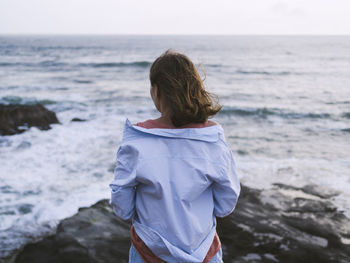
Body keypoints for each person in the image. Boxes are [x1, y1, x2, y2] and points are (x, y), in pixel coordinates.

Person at [109, 49, 241, 263]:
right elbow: (226, 204)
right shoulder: (213, 140)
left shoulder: (136, 142)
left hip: (148, 254)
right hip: (205, 253)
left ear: (157, 91)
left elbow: (122, 208)